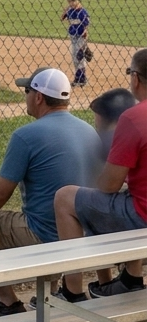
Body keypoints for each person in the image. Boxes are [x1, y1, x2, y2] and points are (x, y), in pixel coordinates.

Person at [0, 68, 101, 320]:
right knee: (45, 214)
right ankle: (52, 291)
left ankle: (7, 302)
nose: (26, 96)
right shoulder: (88, 130)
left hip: (48, 237)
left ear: (39, 97)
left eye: (27, 91)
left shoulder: (26, 135)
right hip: (85, 235)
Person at [53, 49, 147, 301]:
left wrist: (101, 179)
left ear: (136, 79)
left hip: (143, 218)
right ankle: (129, 279)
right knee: (113, 200)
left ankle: (72, 291)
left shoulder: (134, 117)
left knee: (66, 198)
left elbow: (109, 185)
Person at [61, 0, 90, 87]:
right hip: (73, 36)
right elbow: (62, 18)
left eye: (73, 1)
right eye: (69, 1)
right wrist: (65, 11)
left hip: (81, 37)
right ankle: (78, 78)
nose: (71, 3)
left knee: (79, 57)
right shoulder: (70, 11)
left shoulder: (82, 12)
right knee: (74, 57)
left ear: (78, 1)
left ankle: (82, 79)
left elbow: (86, 26)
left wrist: (85, 40)